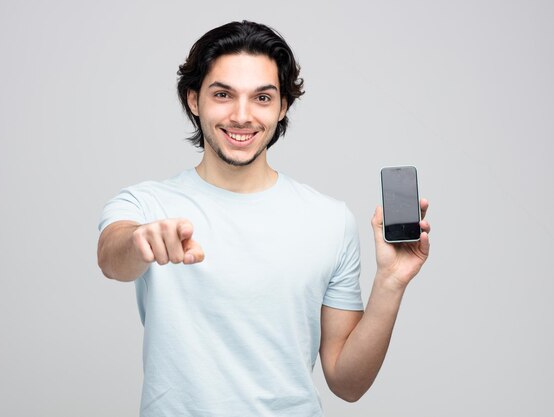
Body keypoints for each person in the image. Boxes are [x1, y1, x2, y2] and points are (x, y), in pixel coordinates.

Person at [97, 20, 430, 417]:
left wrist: (390, 283)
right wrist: (142, 241)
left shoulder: (329, 220)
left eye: (262, 98)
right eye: (223, 94)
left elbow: (348, 383)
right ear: (193, 99)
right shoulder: (146, 204)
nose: (242, 116)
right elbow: (111, 257)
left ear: (283, 106)